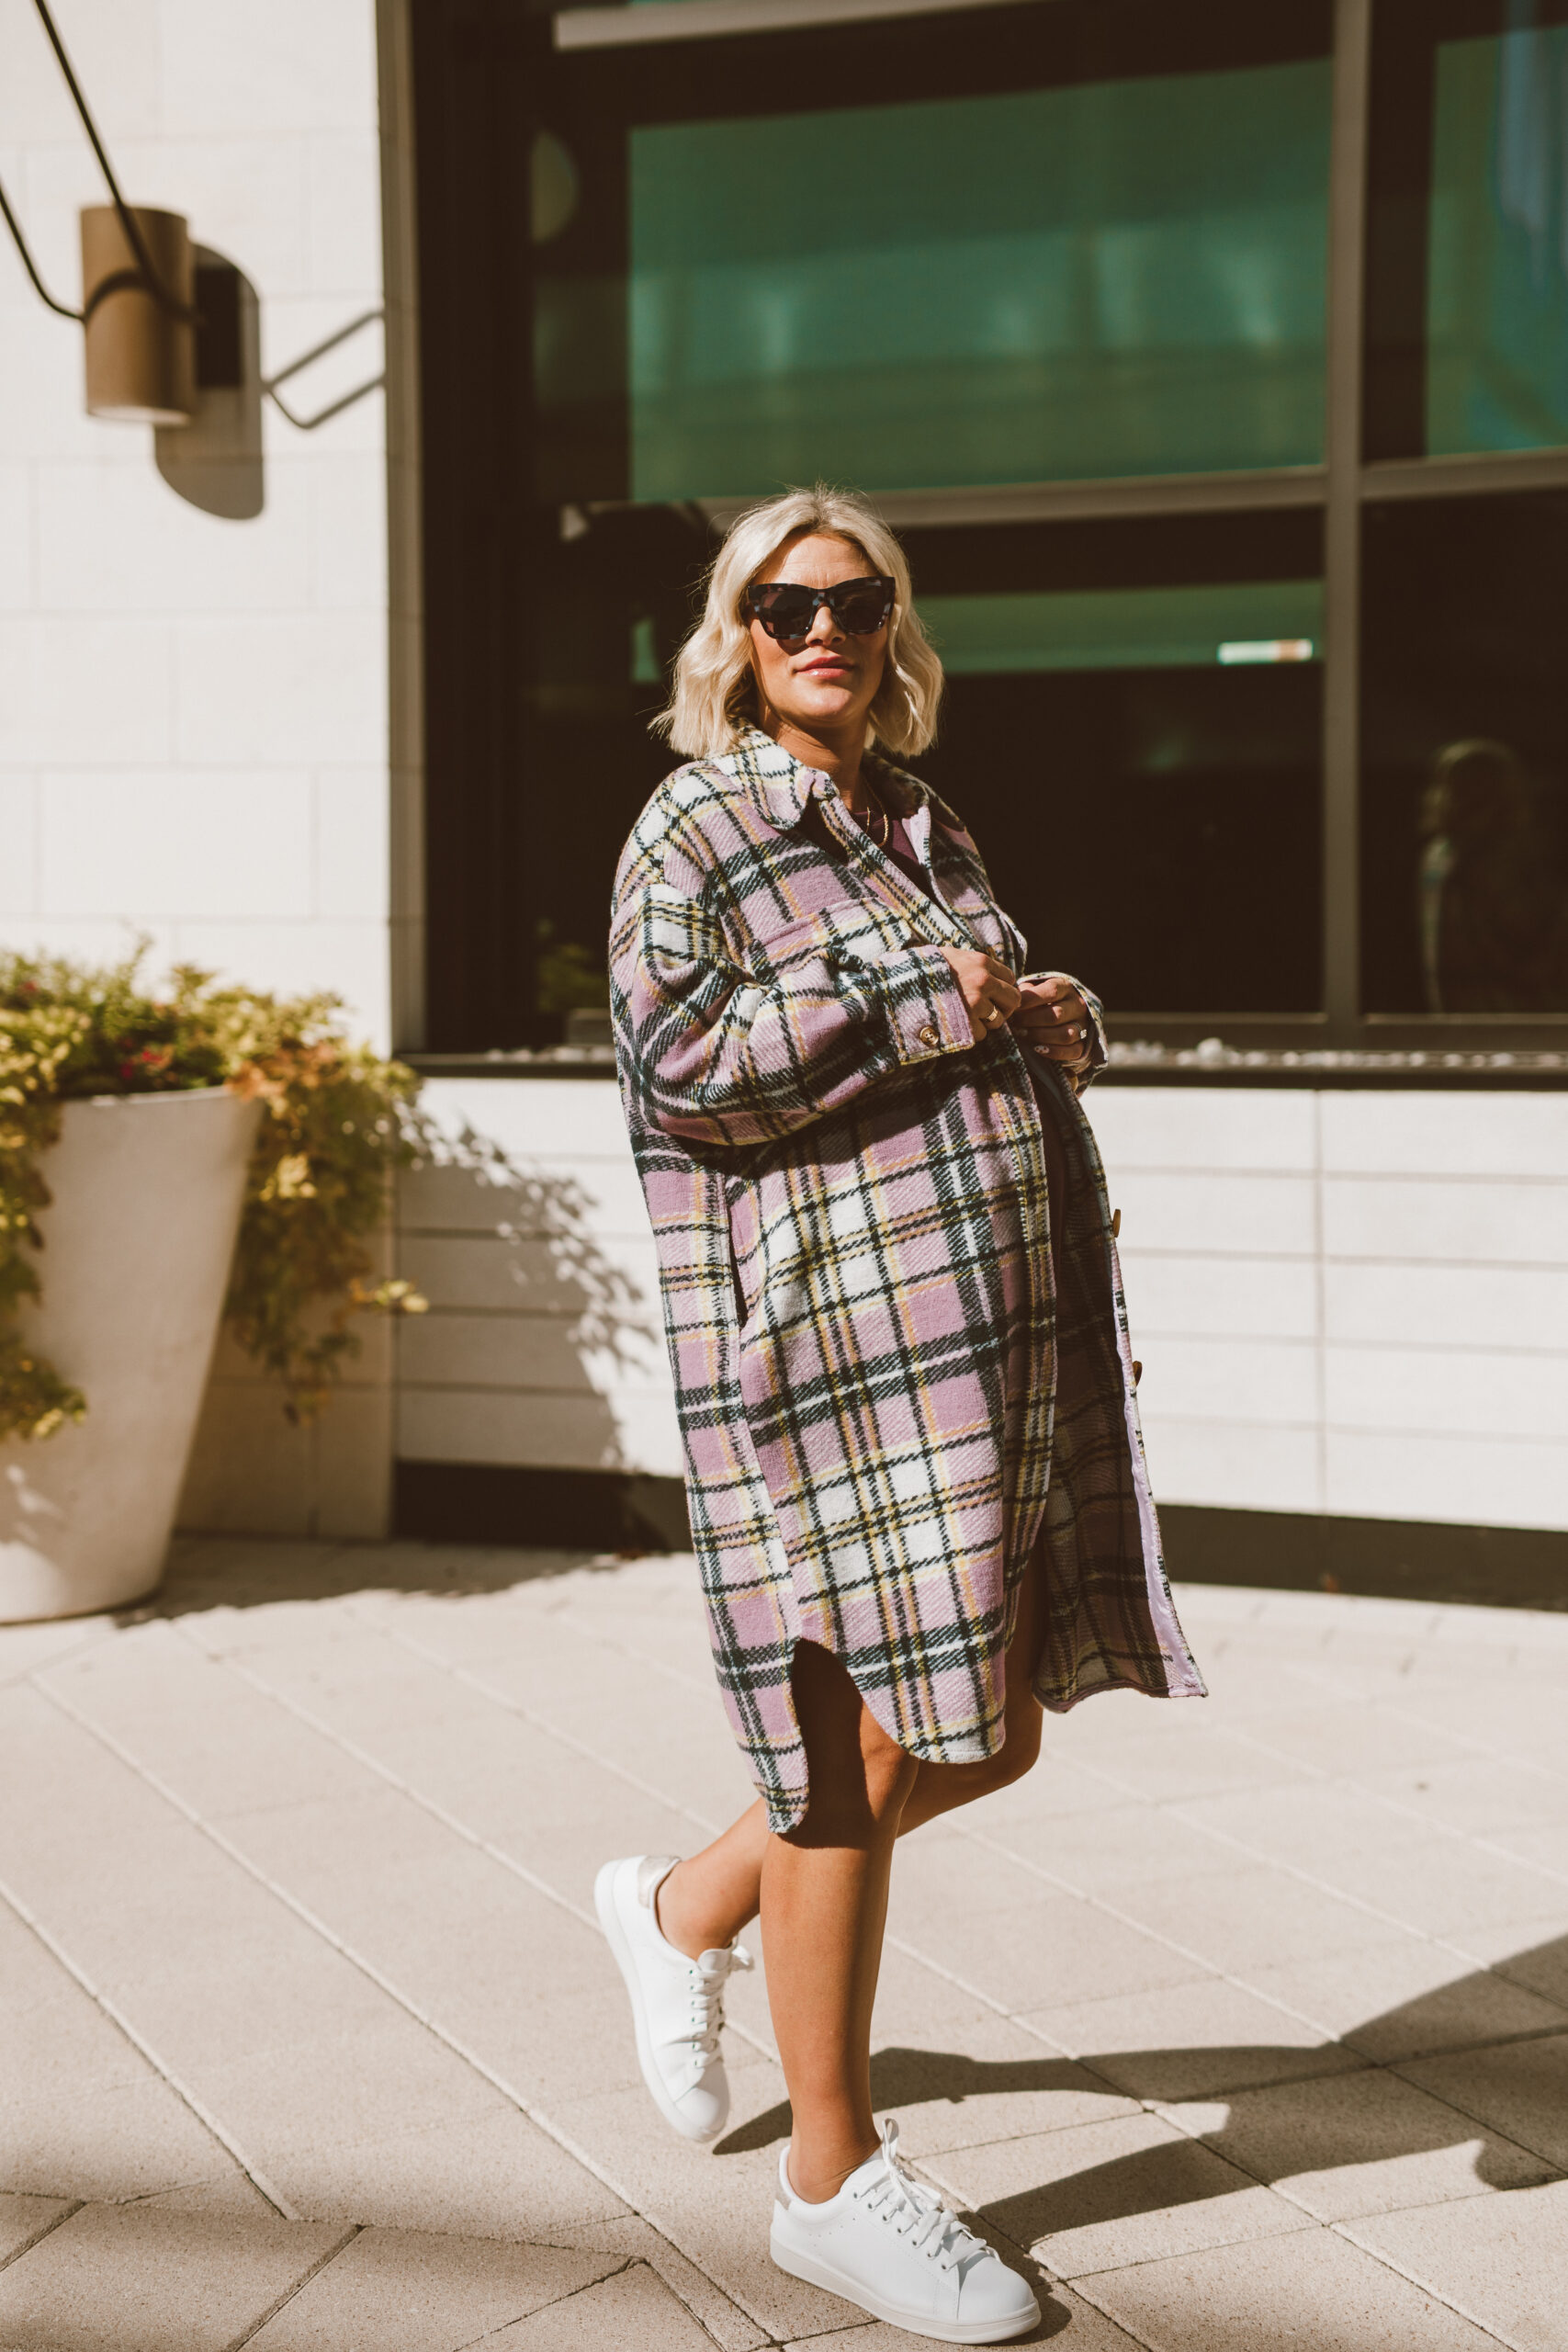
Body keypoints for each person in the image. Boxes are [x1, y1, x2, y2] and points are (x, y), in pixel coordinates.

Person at [597, 484, 1203, 2345]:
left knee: (988, 1732)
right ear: (736, 634)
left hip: (987, 1349)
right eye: (784, 605)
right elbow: (681, 1061)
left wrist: (1037, 1013)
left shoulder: (920, 820)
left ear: (893, 627)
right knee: (852, 1750)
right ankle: (829, 2177)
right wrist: (926, 994)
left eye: (854, 603)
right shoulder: (700, 821)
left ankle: (681, 1907)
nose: (822, 632)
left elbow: (969, 1006)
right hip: (840, 1353)